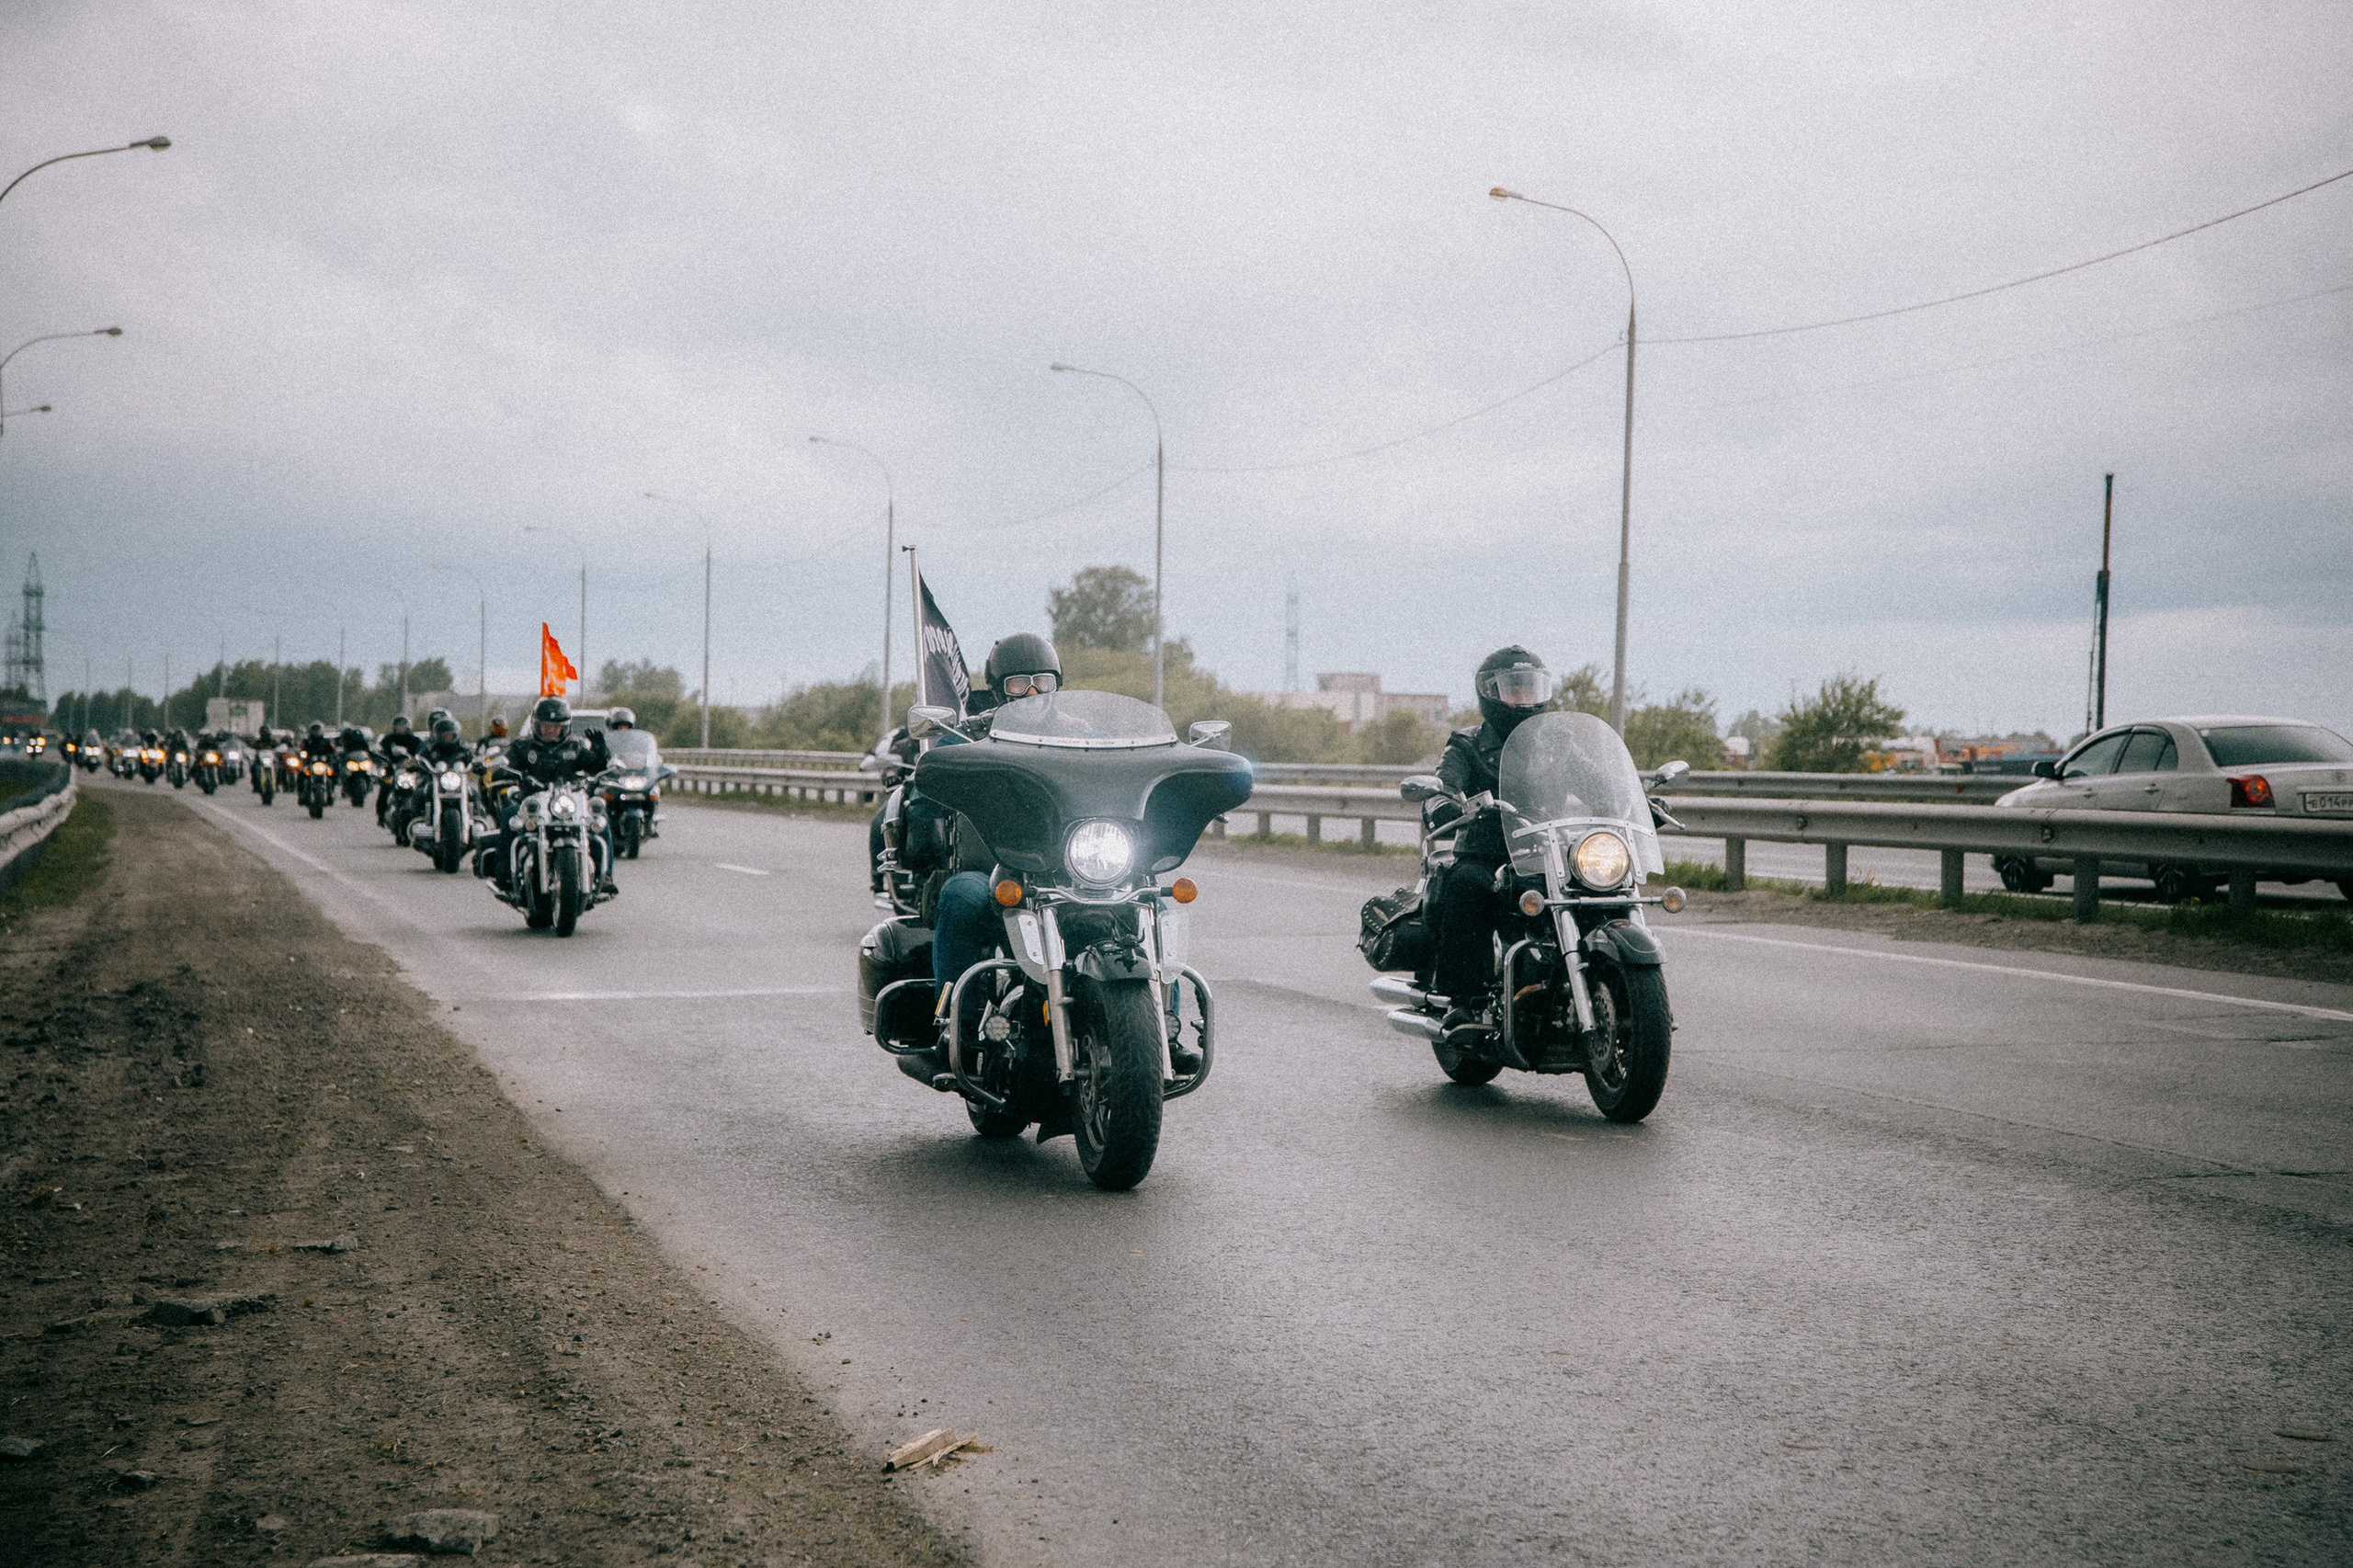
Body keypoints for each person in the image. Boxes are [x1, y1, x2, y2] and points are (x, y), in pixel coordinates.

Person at [897, 634, 1075, 1084]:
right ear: (999, 688)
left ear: (1058, 683)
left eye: (1043, 681)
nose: (1033, 692)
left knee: (1147, 904)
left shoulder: (1085, 733)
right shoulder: (974, 736)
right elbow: (931, 780)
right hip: (994, 872)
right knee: (960, 896)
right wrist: (933, 776)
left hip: (1075, 873)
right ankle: (956, 1032)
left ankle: (1163, 1035)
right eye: (1020, 683)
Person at [1431, 646, 1557, 1038]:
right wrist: (1442, 804)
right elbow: (1443, 784)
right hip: (1487, 853)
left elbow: (1593, 779)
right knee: (1466, 885)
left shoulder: (1557, 741)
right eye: (1513, 689)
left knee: (1597, 888)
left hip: (1548, 851)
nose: (1524, 699)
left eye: (1530, 689)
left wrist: (1632, 801)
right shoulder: (1466, 745)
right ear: (1490, 694)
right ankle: (1463, 1001)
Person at [492, 697, 616, 894]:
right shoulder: (523, 747)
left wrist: (601, 752)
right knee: (510, 814)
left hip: (568, 802)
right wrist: (503, 770)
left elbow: (597, 767)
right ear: (536, 725)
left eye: (555, 726)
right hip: (532, 801)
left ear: (564, 727)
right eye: (545, 726)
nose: (550, 730)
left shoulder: (575, 747)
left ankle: (606, 875)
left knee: (600, 820)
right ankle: (505, 872)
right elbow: (507, 763)